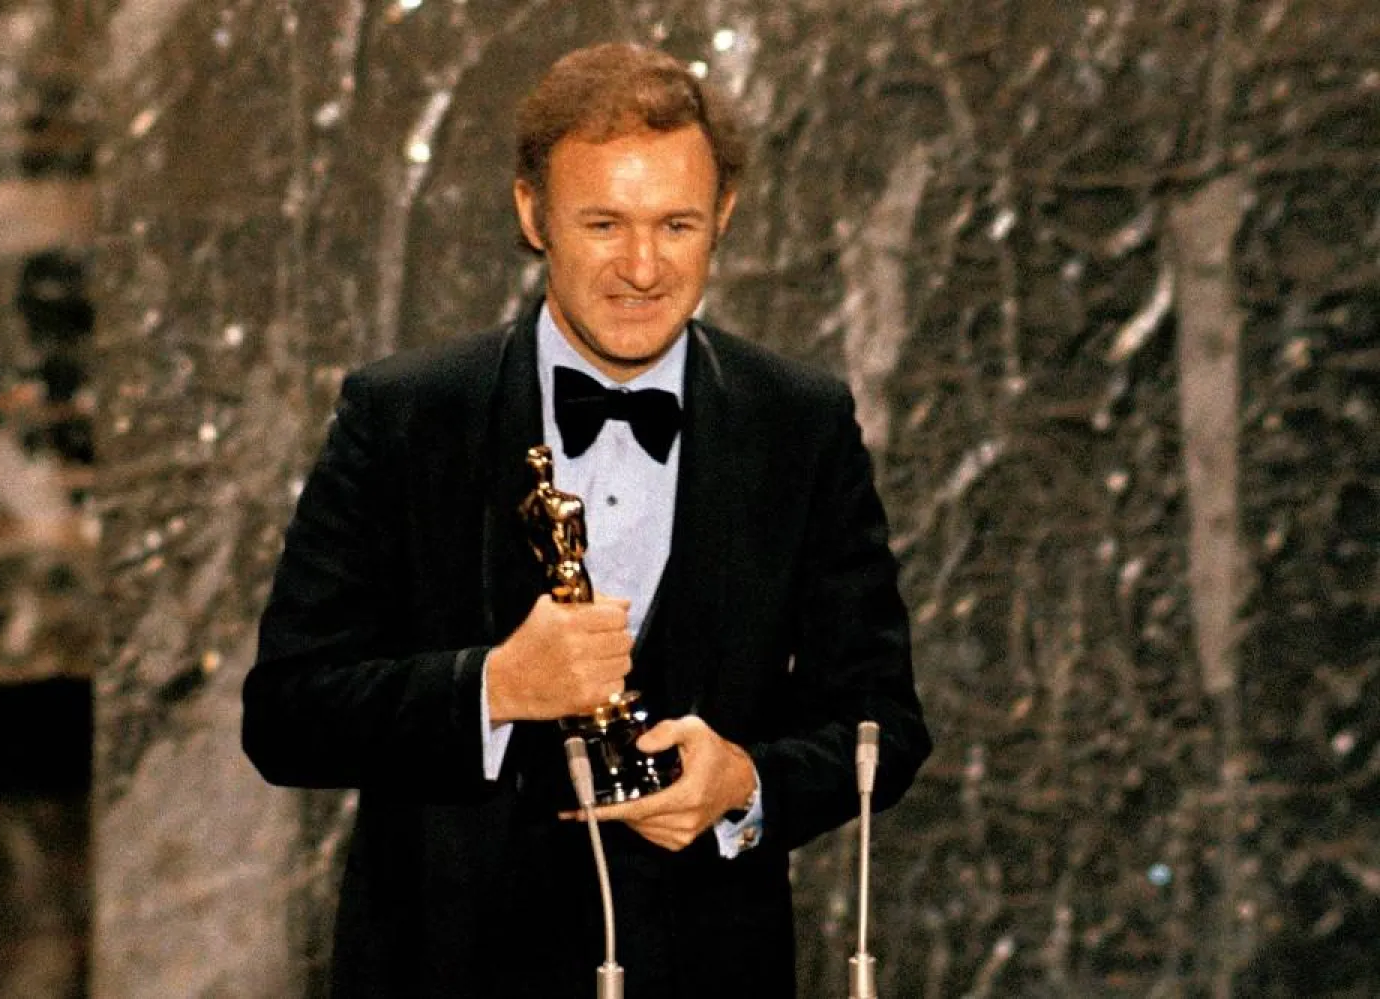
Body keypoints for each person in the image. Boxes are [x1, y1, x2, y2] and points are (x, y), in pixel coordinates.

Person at [242, 41, 930, 998]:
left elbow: (882, 724)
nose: (642, 267)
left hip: (710, 970)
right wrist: (492, 686)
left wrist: (745, 784)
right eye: (603, 222)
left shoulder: (801, 424)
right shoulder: (404, 416)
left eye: (677, 223)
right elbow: (285, 716)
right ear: (533, 214)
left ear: (723, 217)